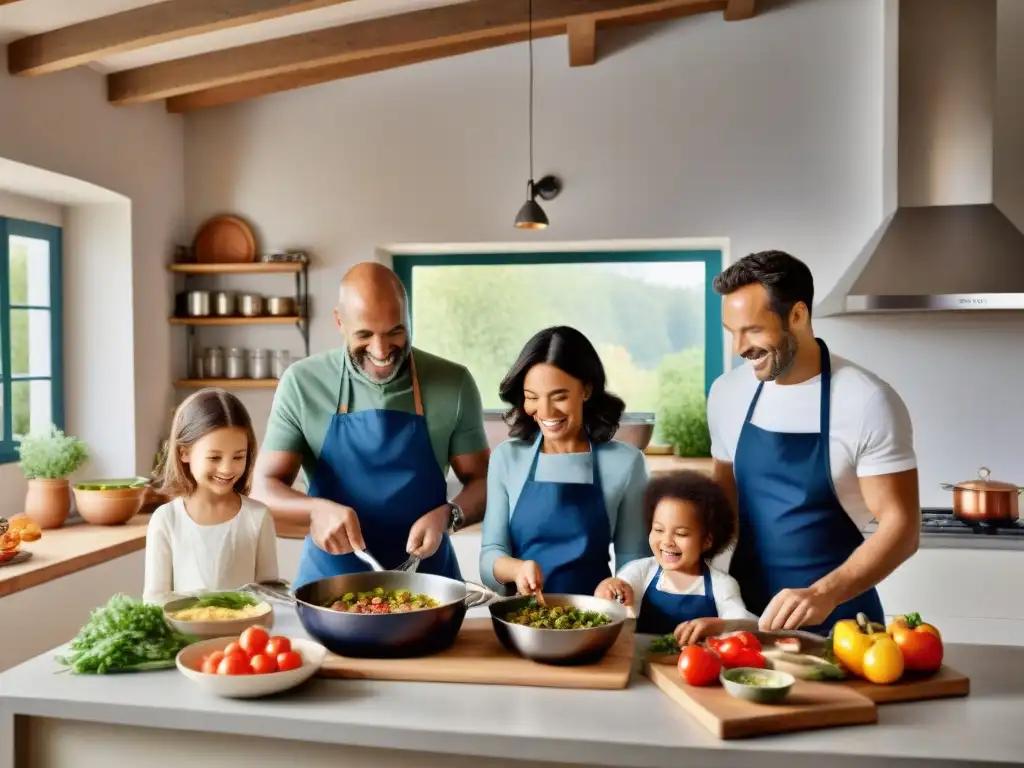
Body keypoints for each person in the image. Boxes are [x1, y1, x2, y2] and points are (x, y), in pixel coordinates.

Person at [708, 250, 920, 635]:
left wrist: (824, 593)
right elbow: (725, 508)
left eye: (753, 329)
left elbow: (902, 528)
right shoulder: (726, 394)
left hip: (842, 619)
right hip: (745, 619)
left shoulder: (866, 399)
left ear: (798, 315)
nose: (740, 347)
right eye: (732, 332)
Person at [251, 262, 490, 587]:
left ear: (409, 318)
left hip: (431, 588)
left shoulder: (453, 383)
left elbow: (486, 482)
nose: (381, 350)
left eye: (395, 331)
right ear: (339, 321)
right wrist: (313, 510)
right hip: (329, 589)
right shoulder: (302, 383)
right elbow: (263, 488)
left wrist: (450, 515)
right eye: (364, 334)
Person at [479, 326, 649, 597]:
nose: (545, 412)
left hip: (595, 619)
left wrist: (619, 588)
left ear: (586, 390)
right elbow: (490, 556)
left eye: (559, 397)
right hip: (523, 622)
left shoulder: (626, 463)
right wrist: (517, 570)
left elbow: (636, 561)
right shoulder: (506, 457)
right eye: (533, 398)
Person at [143, 388, 278, 604]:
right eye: (214, 457)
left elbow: (271, 595)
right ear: (184, 453)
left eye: (238, 456)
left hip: (244, 637)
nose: (227, 469)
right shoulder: (166, 519)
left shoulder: (258, 516)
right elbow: (154, 600)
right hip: (184, 637)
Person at [595, 470, 756, 644]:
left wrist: (720, 625)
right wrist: (607, 588)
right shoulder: (639, 571)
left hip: (700, 667)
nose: (667, 541)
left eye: (681, 533)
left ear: (707, 541)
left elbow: (749, 626)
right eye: (658, 530)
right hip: (641, 664)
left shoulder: (721, 585)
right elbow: (612, 603)